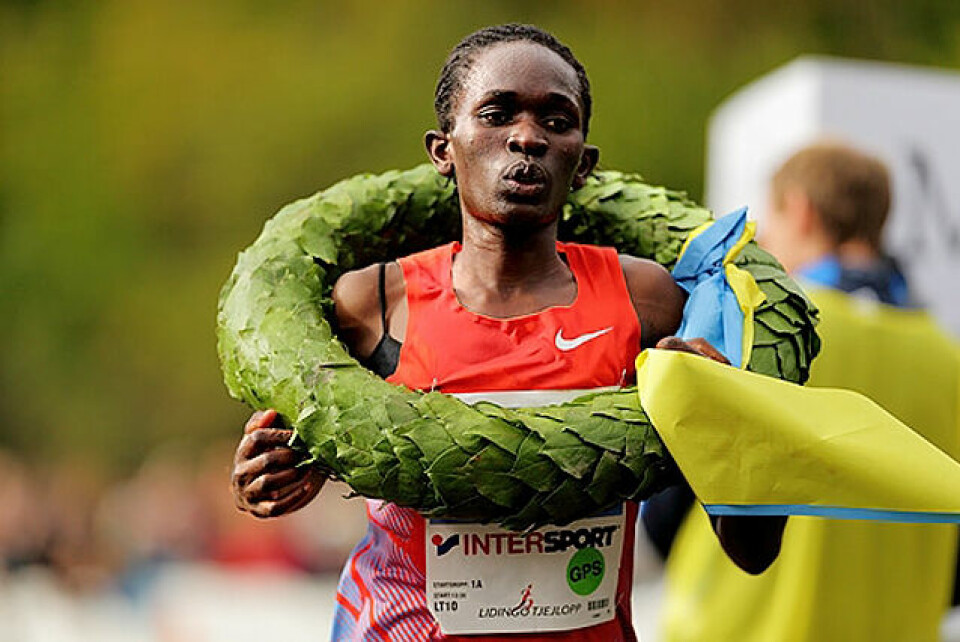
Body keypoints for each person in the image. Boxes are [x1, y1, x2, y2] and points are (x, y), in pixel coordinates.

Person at [230, 24, 785, 641]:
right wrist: (270, 475)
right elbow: (305, 459)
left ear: (583, 165)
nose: (527, 138)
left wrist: (727, 421)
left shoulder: (647, 300)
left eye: (557, 121)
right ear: (444, 150)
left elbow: (753, 550)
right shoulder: (374, 304)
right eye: (497, 114)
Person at [653, 141, 960, 642]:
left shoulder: (761, 331)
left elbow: (666, 509)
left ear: (800, 210)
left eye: (768, 219)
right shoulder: (951, 358)